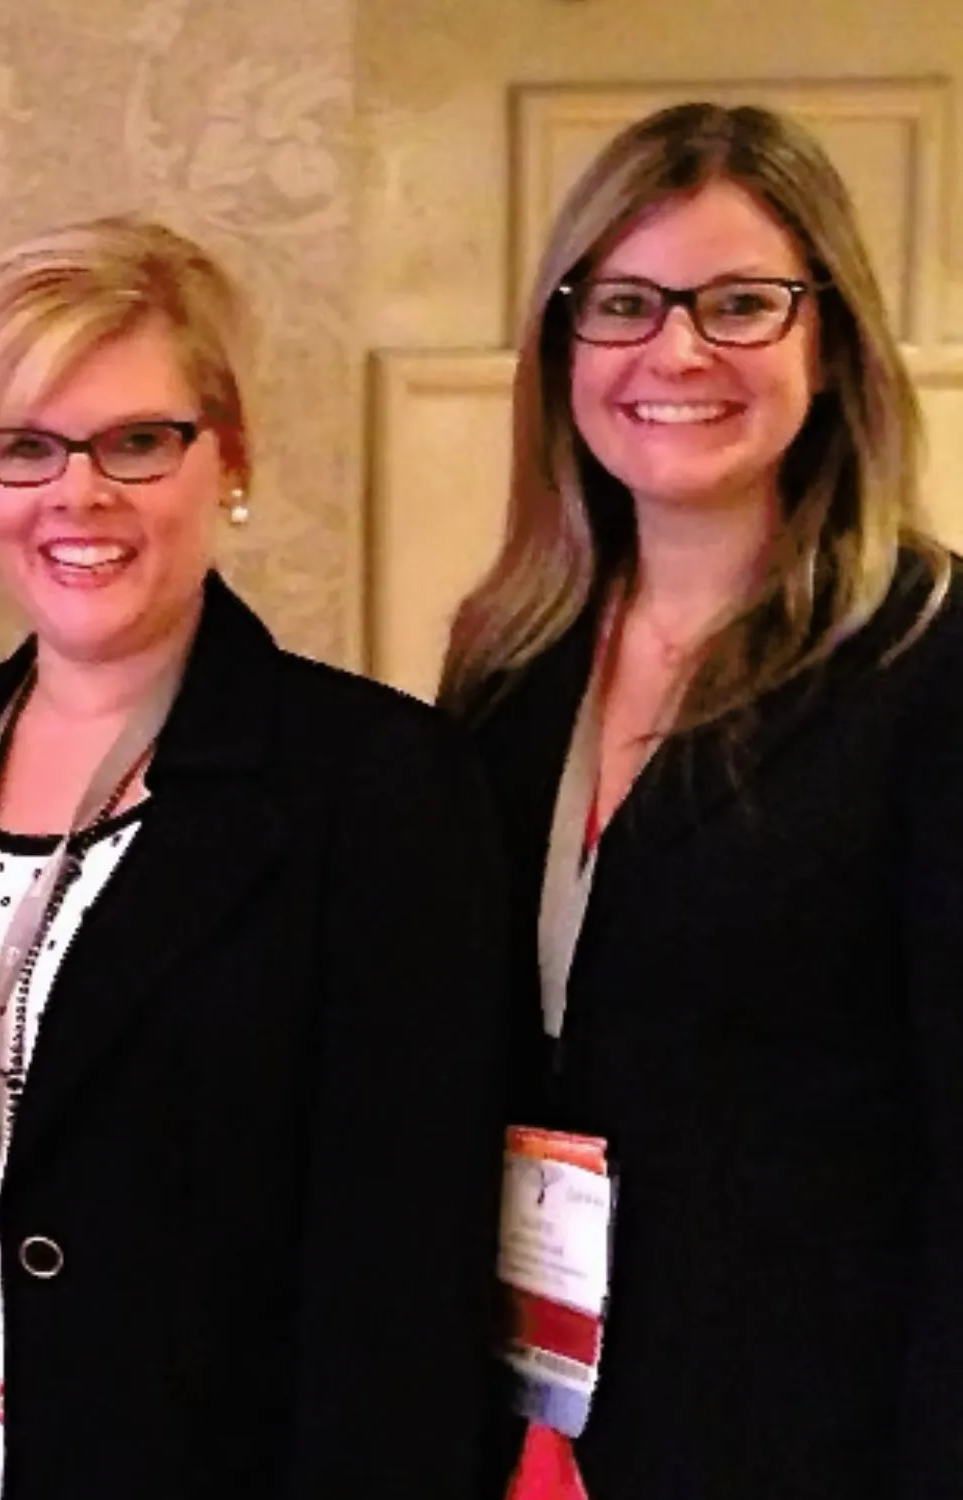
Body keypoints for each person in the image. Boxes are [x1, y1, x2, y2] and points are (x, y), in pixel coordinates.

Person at [0, 215, 509, 1499]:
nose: (78, 492)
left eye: (138, 441)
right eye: (26, 446)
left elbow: (399, 1286)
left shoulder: (374, 789)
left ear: (229, 459)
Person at [440, 102, 963, 1500]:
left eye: (740, 303)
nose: (677, 351)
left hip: (806, 1429)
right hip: (528, 1412)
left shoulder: (932, 660)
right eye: (623, 304)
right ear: (563, 348)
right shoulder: (506, 660)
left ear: (832, 339)